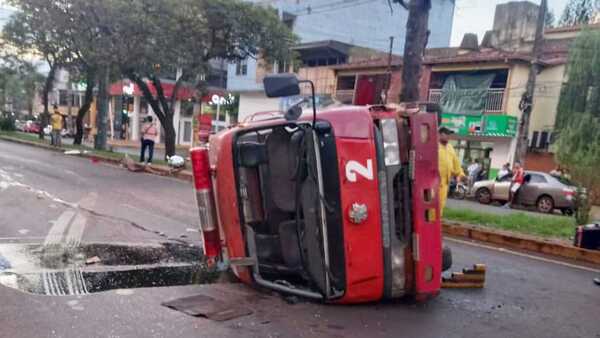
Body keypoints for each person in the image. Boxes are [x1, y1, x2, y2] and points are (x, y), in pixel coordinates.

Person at [438, 127, 465, 216]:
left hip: (445, 183)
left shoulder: (450, 147)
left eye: (449, 134)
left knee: (441, 204)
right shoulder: (434, 146)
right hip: (434, 182)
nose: (448, 136)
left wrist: (460, 174)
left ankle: (437, 223)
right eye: (446, 134)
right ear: (439, 135)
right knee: (433, 205)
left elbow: (456, 163)